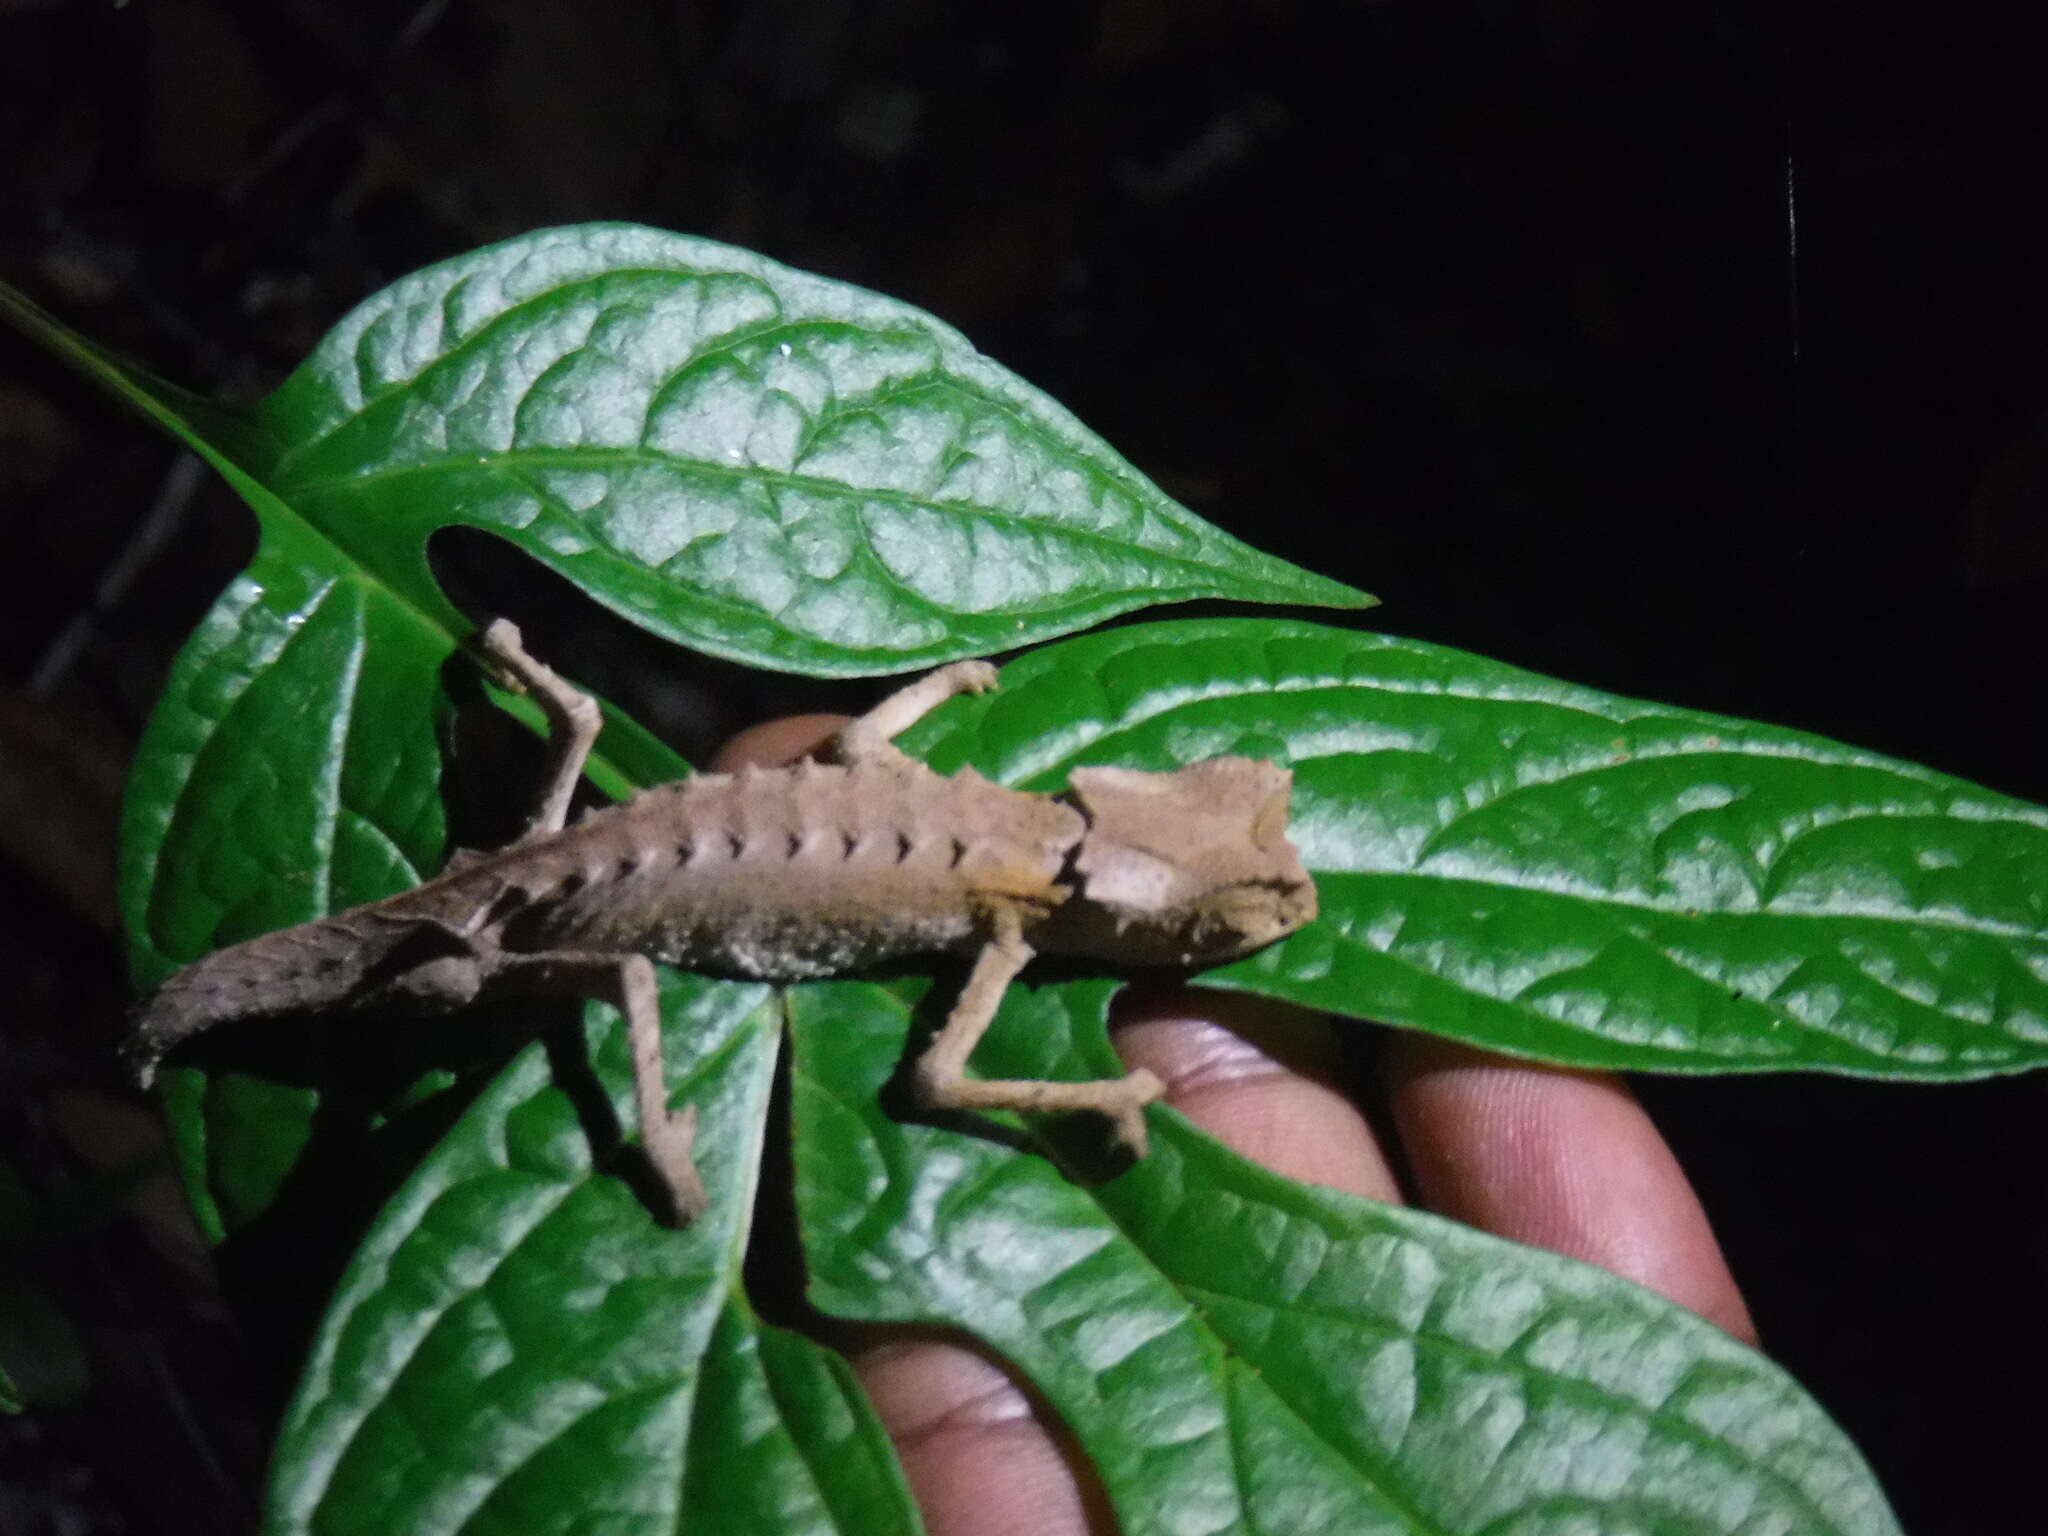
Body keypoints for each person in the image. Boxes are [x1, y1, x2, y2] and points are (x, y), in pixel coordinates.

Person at [716, 712, 1756, 1536]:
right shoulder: (1009, 917)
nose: (1286, 906)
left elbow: (860, 750)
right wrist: (1093, 1094)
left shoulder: (1012, 850)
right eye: (1207, 923)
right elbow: (936, 1081)